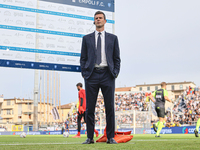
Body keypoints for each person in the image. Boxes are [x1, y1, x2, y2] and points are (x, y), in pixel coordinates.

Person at [80, 11, 120, 144]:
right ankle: (90, 137)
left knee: (109, 107)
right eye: (96, 18)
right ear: (94, 21)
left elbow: (116, 58)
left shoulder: (113, 38)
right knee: (89, 108)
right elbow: (83, 58)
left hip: (107, 75)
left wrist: (114, 73)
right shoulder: (86, 39)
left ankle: (110, 137)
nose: (98, 20)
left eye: (100, 18)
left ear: (105, 21)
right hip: (91, 75)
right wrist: (85, 74)